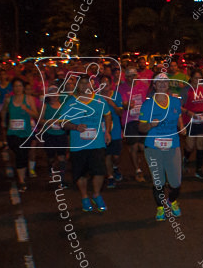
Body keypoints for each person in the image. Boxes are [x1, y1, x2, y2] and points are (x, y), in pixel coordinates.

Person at [57, 75, 114, 212]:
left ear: (91, 85)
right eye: (81, 83)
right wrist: (76, 127)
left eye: (87, 83)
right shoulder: (71, 102)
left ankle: (96, 194)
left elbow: (107, 115)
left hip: (97, 143)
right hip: (78, 145)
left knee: (99, 172)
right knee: (80, 174)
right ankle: (84, 197)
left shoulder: (100, 100)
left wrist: (107, 132)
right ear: (77, 85)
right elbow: (62, 122)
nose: (84, 86)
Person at [139, 74, 185, 221]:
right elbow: (141, 127)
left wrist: (182, 126)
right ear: (154, 85)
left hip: (172, 146)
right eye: (159, 82)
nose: (162, 84)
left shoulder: (175, 102)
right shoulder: (147, 104)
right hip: (153, 147)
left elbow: (178, 116)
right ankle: (160, 208)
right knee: (158, 181)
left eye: (165, 81)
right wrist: (150, 125)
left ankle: (171, 201)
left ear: (168, 84)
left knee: (176, 182)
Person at [2, 78, 40, 192]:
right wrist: (3, 121)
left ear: (23, 87)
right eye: (15, 86)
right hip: (12, 133)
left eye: (20, 86)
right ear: (13, 88)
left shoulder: (29, 99)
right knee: (19, 155)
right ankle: (22, 180)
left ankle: (22, 177)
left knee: (23, 155)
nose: (18, 88)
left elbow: (36, 115)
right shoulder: (9, 99)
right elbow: (4, 110)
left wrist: (27, 110)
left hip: (26, 133)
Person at [182, 68, 203, 180]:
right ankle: (186, 157)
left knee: (201, 145)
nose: (197, 80)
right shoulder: (185, 90)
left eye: (200, 78)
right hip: (190, 119)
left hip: (202, 118)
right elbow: (179, 106)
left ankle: (198, 169)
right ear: (191, 78)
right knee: (190, 146)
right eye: (195, 78)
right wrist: (188, 112)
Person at [122, 67, 148, 183]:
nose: (133, 78)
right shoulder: (122, 88)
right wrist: (127, 105)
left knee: (142, 147)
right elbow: (122, 104)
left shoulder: (143, 86)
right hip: (129, 120)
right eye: (130, 76)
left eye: (134, 75)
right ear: (126, 77)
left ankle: (139, 163)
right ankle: (138, 170)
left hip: (142, 119)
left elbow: (148, 101)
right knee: (134, 146)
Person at [99, 73, 126, 187]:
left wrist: (112, 104)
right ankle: (110, 176)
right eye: (102, 83)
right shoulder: (96, 97)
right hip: (102, 130)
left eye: (107, 83)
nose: (105, 85)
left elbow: (120, 113)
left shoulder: (116, 95)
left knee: (116, 156)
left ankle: (115, 167)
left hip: (115, 131)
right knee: (107, 155)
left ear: (111, 85)